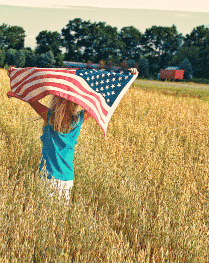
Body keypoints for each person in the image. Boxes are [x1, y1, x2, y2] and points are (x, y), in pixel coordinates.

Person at [7, 66, 138, 204]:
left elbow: (31, 100)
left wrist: (15, 82)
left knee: (42, 215)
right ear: (76, 103)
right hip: (67, 178)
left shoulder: (49, 117)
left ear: (55, 100)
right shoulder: (77, 120)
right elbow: (98, 102)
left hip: (47, 176)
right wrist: (127, 78)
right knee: (60, 219)